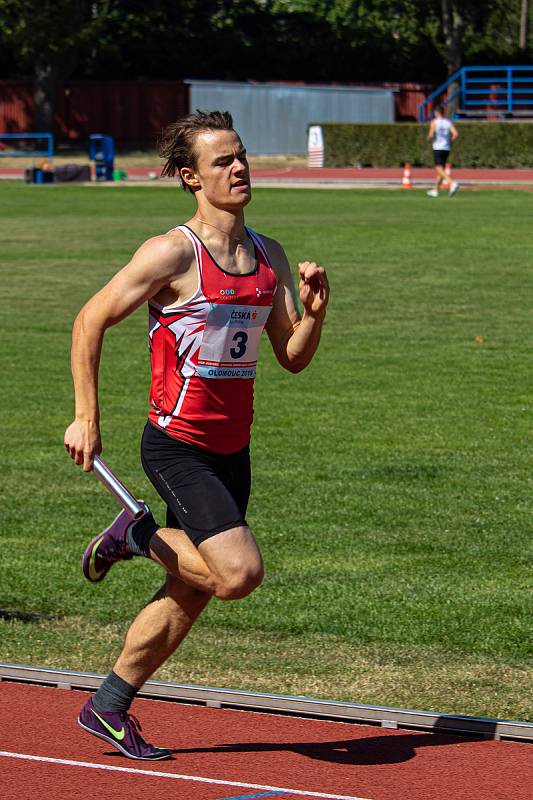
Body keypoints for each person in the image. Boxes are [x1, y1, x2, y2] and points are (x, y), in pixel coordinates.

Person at [64, 110, 329, 761]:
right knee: (236, 574)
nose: (239, 168)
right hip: (177, 445)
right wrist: (86, 416)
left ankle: (108, 706)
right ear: (190, 177)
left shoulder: (267, 255)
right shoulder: (172, 252)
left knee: (194, 588)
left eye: (240, 157)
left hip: (231, 451)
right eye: (221, 161)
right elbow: (89, 320)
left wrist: (317, 314)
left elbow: (291, 355)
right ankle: (136, 534)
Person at [426, 104, 459, 198]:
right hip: (446, 148)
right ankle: (436, 190)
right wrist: (450, 142)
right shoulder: (448, 122)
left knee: (438, 168)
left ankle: (452, 183)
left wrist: (428, 138)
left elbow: (431, 135)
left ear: (436, 113)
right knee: (441, 170)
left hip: (437, 147)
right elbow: (455, 134)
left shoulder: (434, 122)